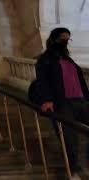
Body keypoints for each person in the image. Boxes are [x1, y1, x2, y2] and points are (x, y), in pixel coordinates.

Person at [36, 27, 89, 180]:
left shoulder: (69, 60)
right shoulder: (45, 59)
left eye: (68, 38)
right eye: (63, 38)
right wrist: (46, 99)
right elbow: (42, 81)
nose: (65, 41)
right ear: (54, 39)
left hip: (81, 101)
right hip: (62, 103)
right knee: (70, 139)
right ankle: (73, 172)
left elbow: (81, 82)